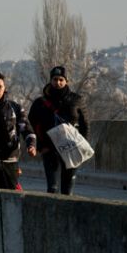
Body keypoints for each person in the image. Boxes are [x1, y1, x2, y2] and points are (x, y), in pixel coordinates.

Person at [28, 66, 89, 195]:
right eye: (55, 79)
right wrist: (40, 146)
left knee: (68, 190)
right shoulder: (40, 102)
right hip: (49, 148)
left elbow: (85, 125)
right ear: (50, 80)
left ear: (67, 81)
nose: (58, 82)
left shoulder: (76, 100)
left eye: (61, 79)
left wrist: (83, 146)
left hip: (71, 148)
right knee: (52, 189)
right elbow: (31, 124)